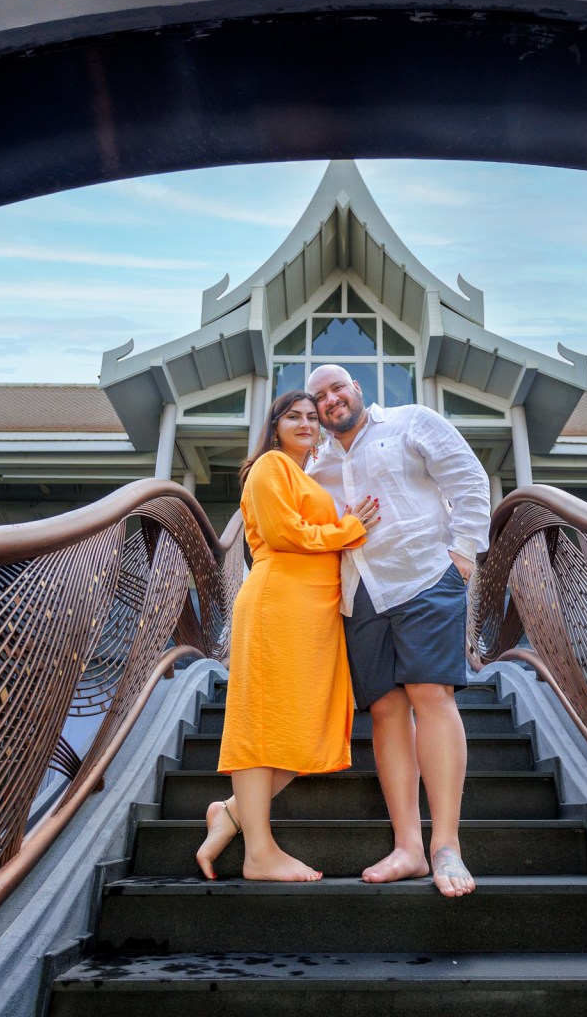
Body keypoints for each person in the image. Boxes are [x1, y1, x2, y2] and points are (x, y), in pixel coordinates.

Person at [305, 363, 490, 898]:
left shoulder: (412, 421)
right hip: (359, 592)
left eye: (338, 387)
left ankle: (445, 845)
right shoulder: (315, 465)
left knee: (431, 694)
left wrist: (463, 554)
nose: (331, 399)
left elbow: (468, 479)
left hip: (425, 576)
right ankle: (408, 847)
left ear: (357, 389)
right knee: (385, 710)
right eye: (319, 396)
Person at [195, 389, 381, 881]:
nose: (305, 423)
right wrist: (348, 529)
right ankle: (259, 852)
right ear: (274, 425)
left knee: (305, 728)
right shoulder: (269, 467)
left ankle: (231, 812)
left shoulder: (303, 474)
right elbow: (283, 535)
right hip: (278, 603)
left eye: (311, 417)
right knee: (263, 723)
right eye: (292, 416)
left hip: (314, 614)